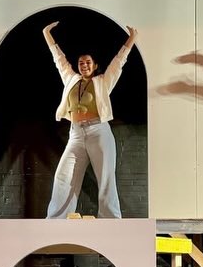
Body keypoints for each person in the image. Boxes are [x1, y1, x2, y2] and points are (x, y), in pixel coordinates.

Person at [42, 21, 137, 219]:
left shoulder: (102, 81)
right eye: (81, 63)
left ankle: (111, 221)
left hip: (98, 131)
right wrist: (46, 34)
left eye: (88, 62)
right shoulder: (70, 79)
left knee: (106, 179)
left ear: (95, 66)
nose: (84, 65)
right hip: (76, 134)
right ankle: (55, 220)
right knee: (63, 177)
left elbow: (118, 63)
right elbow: (58, 59)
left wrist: (132, 39)